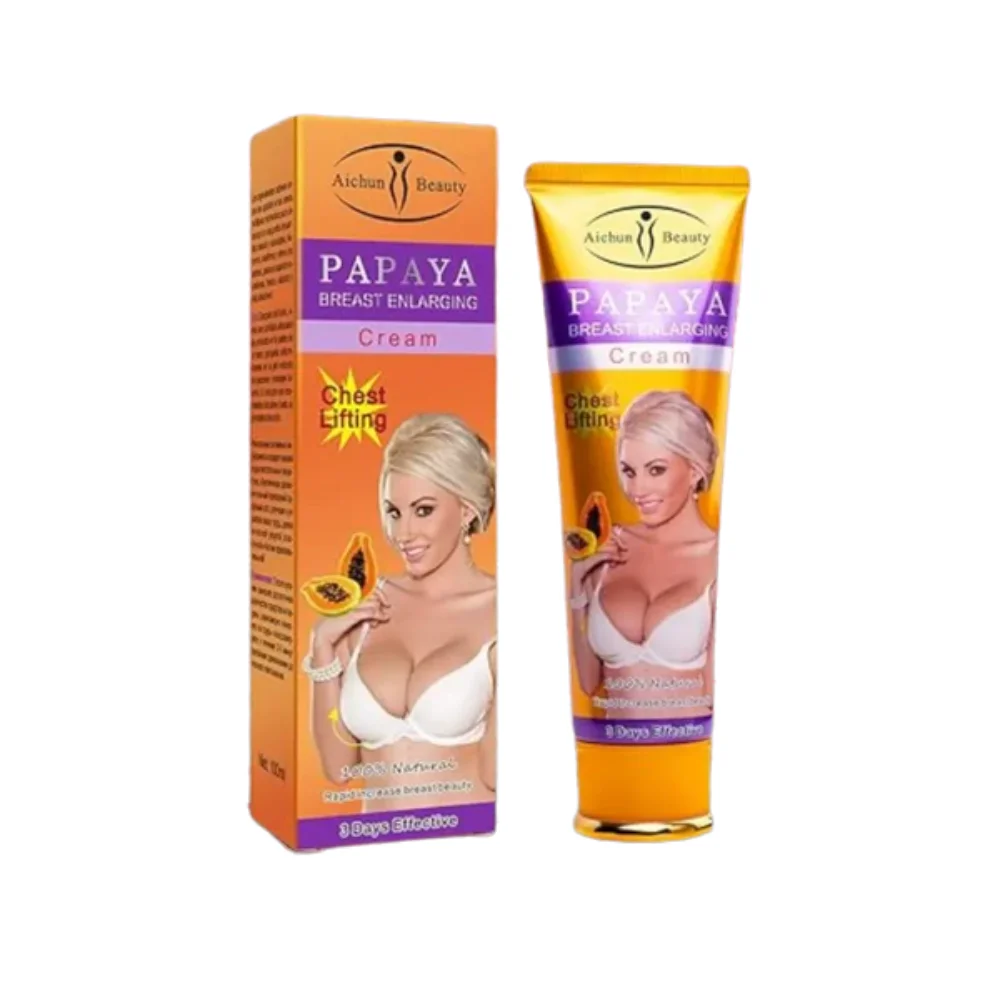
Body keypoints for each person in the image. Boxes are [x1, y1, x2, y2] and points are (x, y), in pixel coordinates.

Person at [304, 413, 497, 810]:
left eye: (423, 510)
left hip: (467, 837)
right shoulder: (366, 609)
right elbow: (339, 769)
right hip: (376, 839)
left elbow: (496, 775)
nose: (402, 534)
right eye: (394, 512)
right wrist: (321, 648)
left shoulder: (504, 613)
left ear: (466, 511)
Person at [568, 390, 718, 720]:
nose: (637, 490)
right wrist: (576, 586)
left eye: (656, 470)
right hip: (611, 742)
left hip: (689, 743)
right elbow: (589, 684)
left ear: (695, 470)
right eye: (629, 471)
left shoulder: (716, 557)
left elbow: (714, 695)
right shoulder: (608, 548)